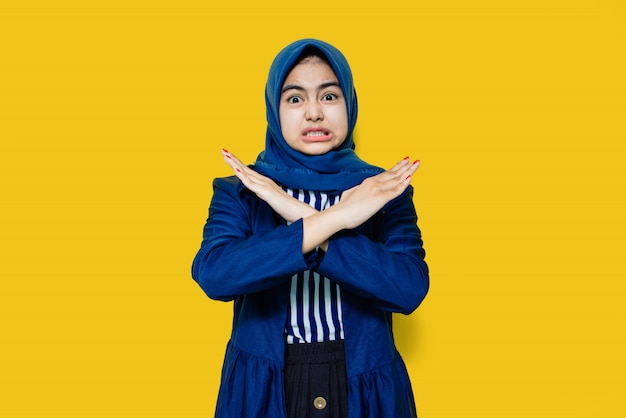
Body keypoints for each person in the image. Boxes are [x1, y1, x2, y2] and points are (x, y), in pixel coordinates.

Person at [191, 38, 429, 418]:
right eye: (295, 99)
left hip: (364, 386)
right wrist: (335, 219)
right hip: (266, 387)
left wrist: (295, 213)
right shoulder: (242, 190)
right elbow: (217, 275)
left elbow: (408, 288)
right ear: (274, 108)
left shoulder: (383, 191)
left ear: (349, 104)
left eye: (330, 96)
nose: (314, 113)